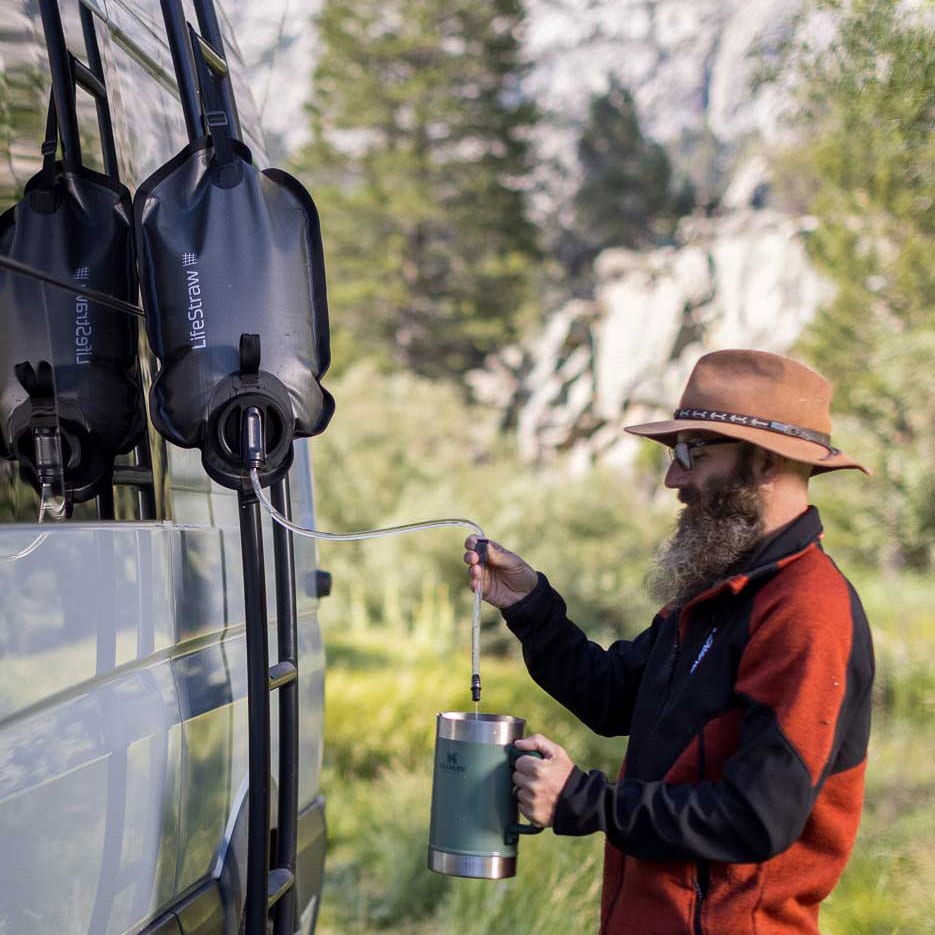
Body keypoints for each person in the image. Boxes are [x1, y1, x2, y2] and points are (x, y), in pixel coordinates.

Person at [464, 348, 874, 935]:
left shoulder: (808, 610)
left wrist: (586, 800)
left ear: (763, 463)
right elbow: (611, 699)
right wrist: (531, 605)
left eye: (692, 453)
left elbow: (757, 819)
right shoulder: (716, 596)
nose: (673, 478)